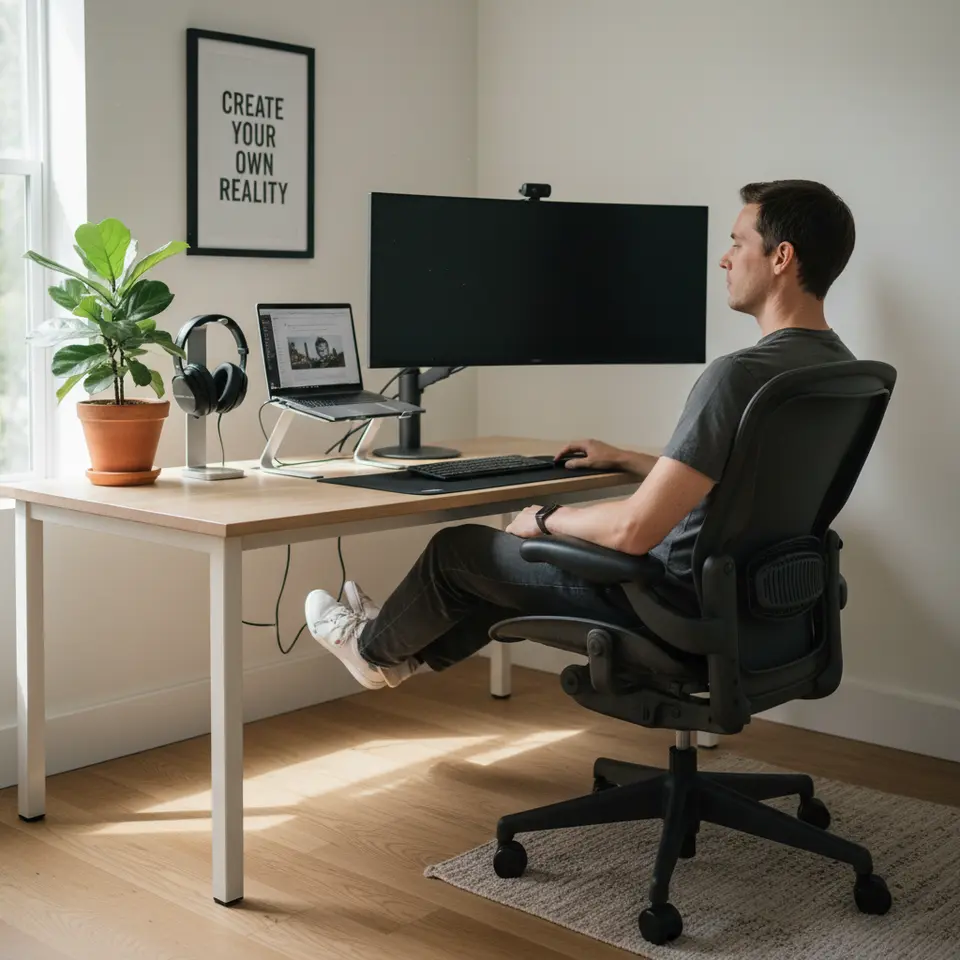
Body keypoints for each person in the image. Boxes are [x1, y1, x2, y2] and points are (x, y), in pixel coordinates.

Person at [306, 179, 858, 691]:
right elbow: (739, 479)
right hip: (750, 603)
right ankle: (398, 653)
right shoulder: (839, 371)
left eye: (738, 243)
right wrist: (628, 459)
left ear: (781, 257)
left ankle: (372, 651)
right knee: (501, 568)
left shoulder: (738, 374)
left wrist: (546, 519)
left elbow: (635, 531)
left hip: (664, 601)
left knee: (461, 551)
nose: (724, 258)